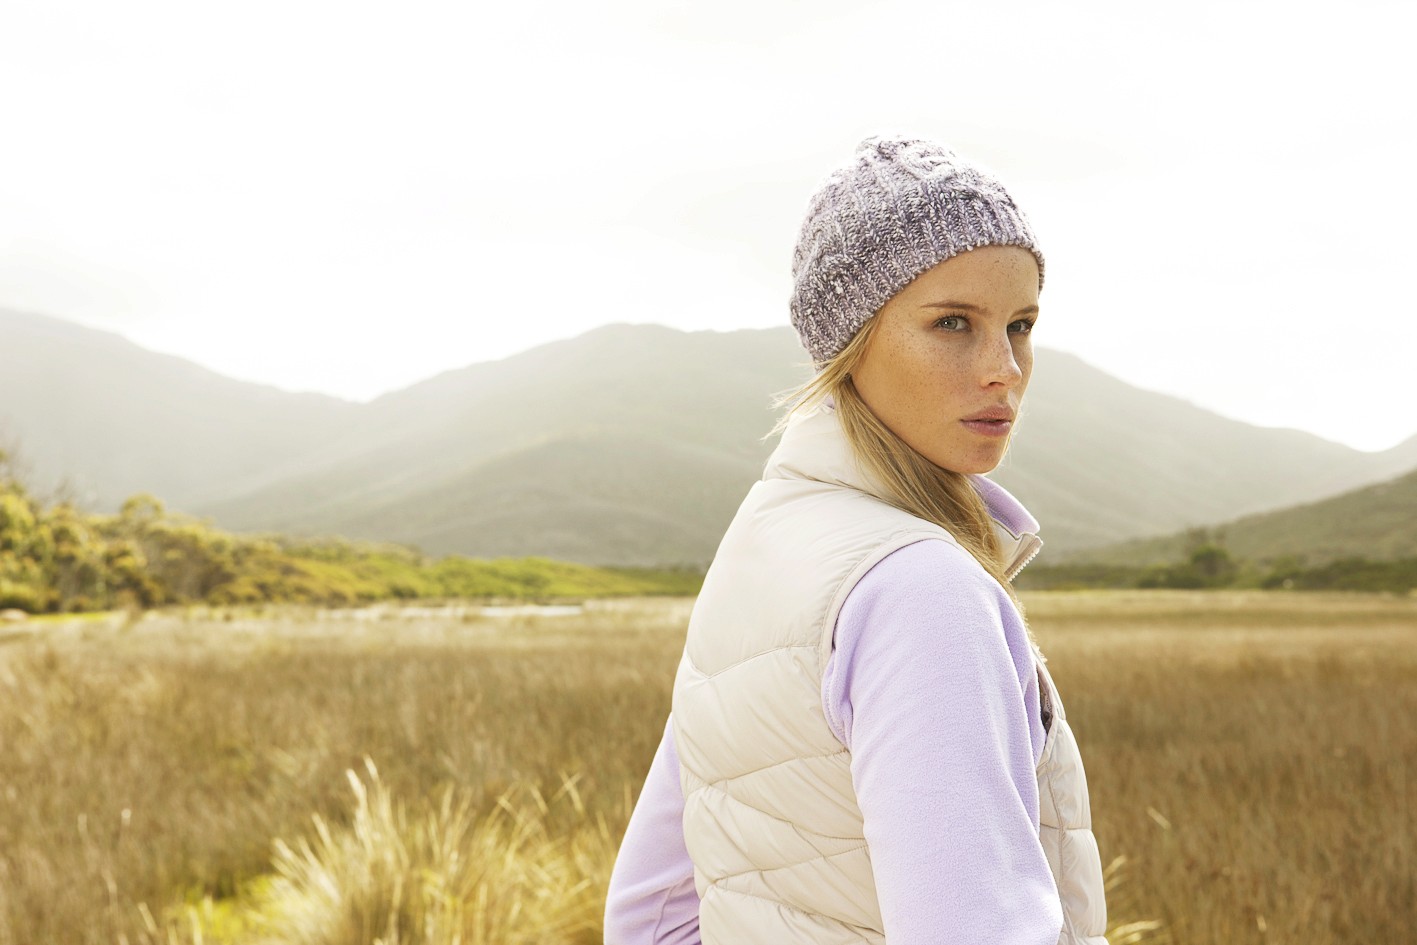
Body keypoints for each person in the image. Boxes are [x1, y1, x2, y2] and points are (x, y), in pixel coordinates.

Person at [603, 135, 1109, 945]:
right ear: (851, 337)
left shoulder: (761, 543)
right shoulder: (923, 589)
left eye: (1019, 325)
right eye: (952, 322)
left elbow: (647, 916)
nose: (1003, 368)